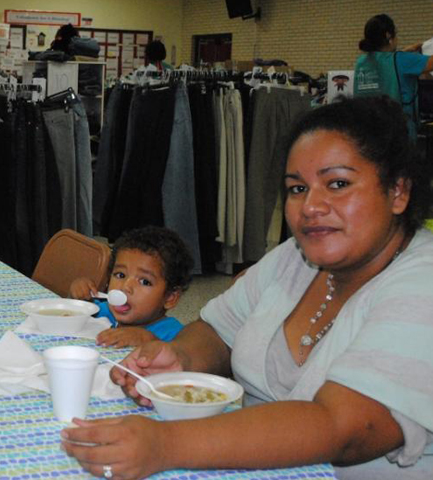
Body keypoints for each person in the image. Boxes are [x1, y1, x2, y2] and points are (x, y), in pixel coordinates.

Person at [61, 96, 433, 479]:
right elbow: (218, 330)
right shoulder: (295, 258)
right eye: (297, 188)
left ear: (398, 192)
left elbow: (347, 427)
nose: (310, 206)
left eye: (337, 183)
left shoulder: (423, 285)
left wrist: (168, 443)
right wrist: (181, 358)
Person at [69, 226, 194, 348]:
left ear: (169, 298)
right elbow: (69, 318)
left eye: (144, 282)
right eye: (120, 275)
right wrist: (80, 300)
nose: (125, 287)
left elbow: (187, 361)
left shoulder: (175, 335)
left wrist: (149, 341)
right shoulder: (102, 311)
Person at [353, 14, 433, 136]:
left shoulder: (361, 62)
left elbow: (386, 61)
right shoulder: (402, 60)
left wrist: (405, 51)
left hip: (368, 131)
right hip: (398, 133)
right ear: (388, 36)